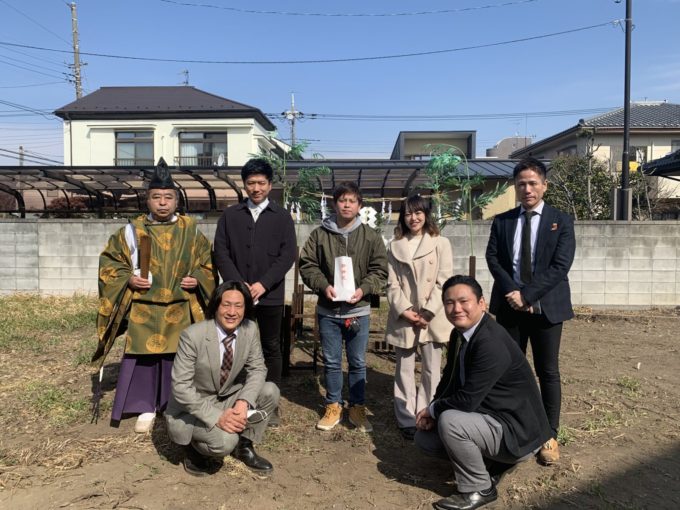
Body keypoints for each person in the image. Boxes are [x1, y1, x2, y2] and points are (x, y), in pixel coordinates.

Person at [94, 159, 215, 433]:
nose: (162, 203)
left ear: (176, 200)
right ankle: (145, 407)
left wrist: (197, 278)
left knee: (178, 358)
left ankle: (175, 404)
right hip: (143, 307)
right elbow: (110, 263)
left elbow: (207, 262)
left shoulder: (191, 229)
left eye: (168, 197)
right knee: (143, 358)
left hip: (179, 306)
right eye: (156, 197)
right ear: (147, 200)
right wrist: (128, 278)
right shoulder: (131, 230)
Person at [415, 275, 551, 510]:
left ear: (482, 303)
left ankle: (479, 488)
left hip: (517, 431)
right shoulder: (460, 334)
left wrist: (434, 409)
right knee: (425, 439)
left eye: (463, 301)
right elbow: (449, 379)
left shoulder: (490, 341)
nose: (456, 308)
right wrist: (433, 407)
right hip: (493, 418)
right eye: (449, 302)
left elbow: (467, 401)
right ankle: (493, 463)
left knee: (451, 422)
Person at [485, 157, 575, 465]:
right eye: (521, 183)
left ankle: (549, 435)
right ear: (515, 187)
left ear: (544, 185)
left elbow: (560, 266)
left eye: (533, 183)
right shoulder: (503, 221)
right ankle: (516, 429)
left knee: (547, 372)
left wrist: (527, 295)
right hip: (510, 308)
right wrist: (514, 293)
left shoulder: (561, 221)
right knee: (510, 370)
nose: (527, 189)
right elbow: (494, 259)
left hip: (547, 308)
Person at [299, 182, 388, 433]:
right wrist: (323, 285)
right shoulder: (320, 235)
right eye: (342, 200)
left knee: (358, 361)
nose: (346, 205)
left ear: (359, 205)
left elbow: (380, 270)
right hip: (328, 311)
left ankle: (357, 407)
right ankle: (333, 405)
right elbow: (307, 264)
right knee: (331, 361)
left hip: (358, 310)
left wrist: (364, 289)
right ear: (334, 203)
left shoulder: (370, 236)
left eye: (352, 201)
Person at [165, 281, 280, 476]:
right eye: (226, 305)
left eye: (238, 306)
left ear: (246, 308)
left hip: (225, 397)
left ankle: (244, 446)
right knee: (226, 442)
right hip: (192, 408)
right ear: (216, 306)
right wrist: (218, 417)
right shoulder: (192, 335)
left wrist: (243, 402)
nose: (232, 312)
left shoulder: (250, 329)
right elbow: (181, 387)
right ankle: (193, 451)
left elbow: (258, 368)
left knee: (270, 390)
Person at [214, 158, 296, 425]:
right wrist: (239, 286)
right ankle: (236, 398)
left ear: (270, 185)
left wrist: (263, 284)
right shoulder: (231, 216)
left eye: (261, 183)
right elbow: (221, 252)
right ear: (244, 185)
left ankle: (270, 402)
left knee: (271, 346)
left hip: (269, 294)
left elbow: (287, 255)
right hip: (237, 297)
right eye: (251, 183)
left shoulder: (282, 217)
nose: (256, 188)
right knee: (236, 344)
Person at [385, 194, 453, 440]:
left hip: (432, 315)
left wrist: (428, 312)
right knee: (403, 369)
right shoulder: (394, 245)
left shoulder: (441, 243)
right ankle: (405, 418)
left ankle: (426, 414)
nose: (413, 218)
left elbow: (444, 280)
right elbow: (392, 284)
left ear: (426, 214)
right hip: (405, 316)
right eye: (408, 213)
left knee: (431, 369)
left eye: (418, 213)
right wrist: (405, 310)